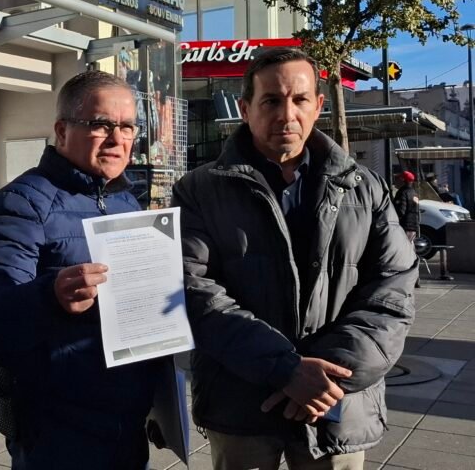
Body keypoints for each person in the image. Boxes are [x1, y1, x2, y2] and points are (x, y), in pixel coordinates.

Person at [173, 47, 415, 470]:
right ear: (245, 108)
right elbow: (193, 290)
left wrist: (325, 377)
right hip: (241, 403)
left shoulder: (366, 187)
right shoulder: (198, 189)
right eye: (271, 101)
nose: (287, 114)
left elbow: (393, 290)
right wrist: (285, 370)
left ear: (319, 106)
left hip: (336, 404)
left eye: (300, 99)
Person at [0, 70, 165, 469]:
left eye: (128, 126)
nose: (117, 138)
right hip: (58, 431)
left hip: (127, 423)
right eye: (101, 125)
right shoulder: (20, 205)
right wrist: (50, 294)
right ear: (61, 131)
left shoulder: (128, 202)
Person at [393, 170, 420, 242]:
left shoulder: (403, 193)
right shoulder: (414, 192)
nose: (395, 181)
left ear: (403, 180)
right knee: (410, 248)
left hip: (404, 226)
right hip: (413, 226)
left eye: (397, 179)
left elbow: (401, 211)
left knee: (403, 248)